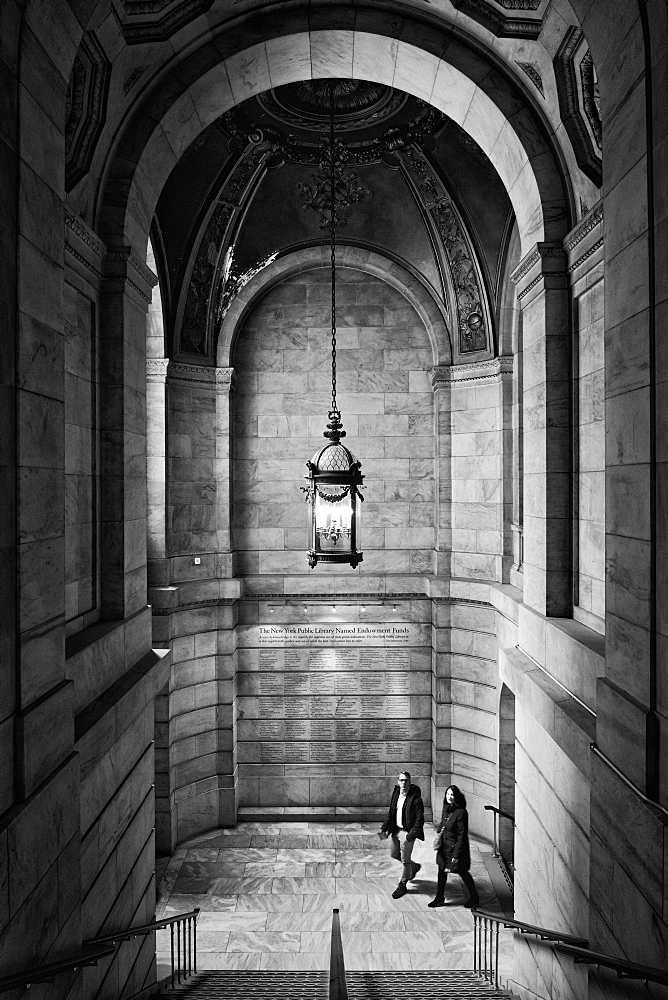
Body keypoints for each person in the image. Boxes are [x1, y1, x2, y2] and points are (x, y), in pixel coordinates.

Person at [428, 784, 480, 908]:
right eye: (448, 794)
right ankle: (439, 897)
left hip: (456, 849)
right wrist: (440, 829)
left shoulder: (461, 812)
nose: (449, 797)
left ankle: (474, 896)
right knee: (441, 872)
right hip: (444, 848)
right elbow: (443, 822)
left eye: (452, 795)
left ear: (456, 796)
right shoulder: (446, 807)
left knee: (462, 872)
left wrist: (455, 856)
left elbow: (461, 836)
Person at [380, 770, 425, 898]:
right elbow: (391, 812)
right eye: (401, 780)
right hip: (396, 829)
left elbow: (419, 820)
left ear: (410, 782)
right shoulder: (396, 793)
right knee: (394, 854)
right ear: (398, 782)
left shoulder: (416, 799)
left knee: (405, 861)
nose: (404, 783)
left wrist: (410, 836)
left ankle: (402, 884)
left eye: (406, 780)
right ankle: (414, 866)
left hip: (407, 833)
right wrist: (384, 828)